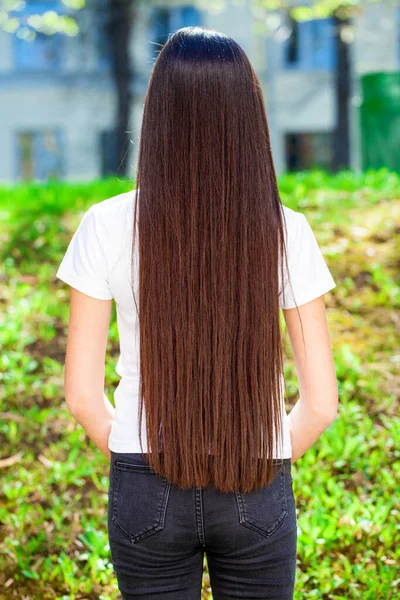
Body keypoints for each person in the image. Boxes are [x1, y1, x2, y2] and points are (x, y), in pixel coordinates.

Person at [56, 26, 338, 600]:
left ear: (158, 114)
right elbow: (322, 404)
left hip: (144, 478)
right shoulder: (288, 231)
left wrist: (134, 452)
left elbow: (82, 398)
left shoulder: (105, 224)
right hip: (256, 476)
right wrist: (268, 457)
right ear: (246, 115)